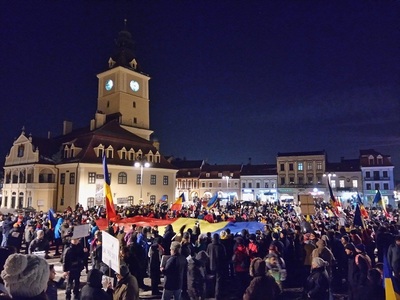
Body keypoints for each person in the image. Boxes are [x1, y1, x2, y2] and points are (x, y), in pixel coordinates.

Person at [206, 233, 227, 300]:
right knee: (218, 281)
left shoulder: (209, 246)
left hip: (211, 266)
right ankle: (217, 295)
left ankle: (211, 293)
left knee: (212, 280)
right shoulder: (221, 246)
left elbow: (207, 255)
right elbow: (224, 257)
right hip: (219, 266)